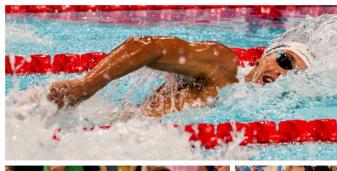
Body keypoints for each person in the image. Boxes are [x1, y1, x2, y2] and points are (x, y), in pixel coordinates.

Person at [47, 36, 314, 116]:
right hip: (107, 123)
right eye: (283, 61)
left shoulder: (263, 111)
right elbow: (147, 47)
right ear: (264, 56)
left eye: (291, 75)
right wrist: (85, 86)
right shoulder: (222, 65)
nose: (280, 73)